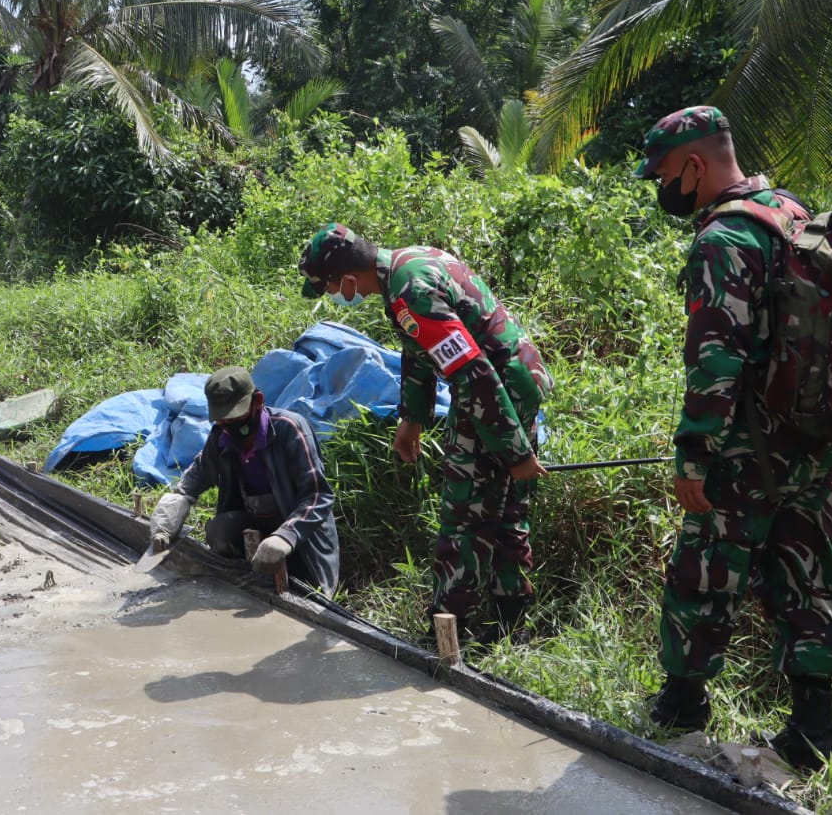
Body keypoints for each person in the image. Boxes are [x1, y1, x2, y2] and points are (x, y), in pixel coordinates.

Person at [634, 106, 832, 769]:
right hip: (812, 436)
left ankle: (681, 705)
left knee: (703, 569)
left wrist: (694, 453)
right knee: (806, 571)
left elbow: (716, 359)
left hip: (746, 443)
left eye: (664, 173)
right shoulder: (789, 210)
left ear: (695, 165)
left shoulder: (724, 238)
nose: (661, 186)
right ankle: (814, 727)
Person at [298, 223, 553, 642]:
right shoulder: (409, 262)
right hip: (518, 380)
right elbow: (419, 349)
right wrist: (412, 419)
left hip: (494, 391)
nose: (334, 297)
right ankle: (510, 621)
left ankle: (448, 629)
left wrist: (514, 452)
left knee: (465, 512)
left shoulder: (408, 292)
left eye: (329, 289)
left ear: (345, 278)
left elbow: (474, 372)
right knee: (505, 506)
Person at [147, 366, 340, 595]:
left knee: (307, 591)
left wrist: (286, 535)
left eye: (235, 417)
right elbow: (197, 474)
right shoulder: (222, 437)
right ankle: (249, 577)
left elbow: (318, 495)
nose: (230, 427)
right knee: (220, 530)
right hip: (257, 524)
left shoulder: (290, 430)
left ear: (257, 401)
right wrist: (173, 508)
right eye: (223, 421)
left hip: (300, 532)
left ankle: (292, 574)